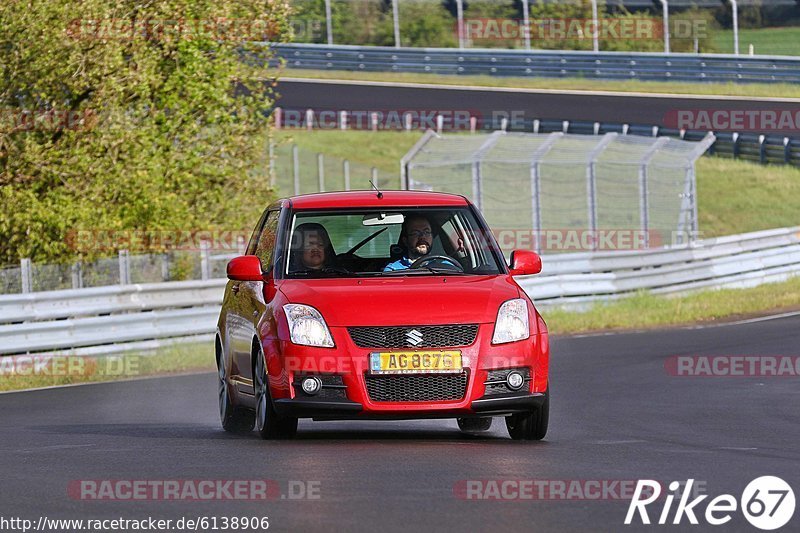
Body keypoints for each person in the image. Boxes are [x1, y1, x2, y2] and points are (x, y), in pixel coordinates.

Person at [384, 215, 456, 271]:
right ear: (405, 240)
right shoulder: (393, 270)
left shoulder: (447, 266)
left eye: (427, 232)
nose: (422, 237)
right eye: (415, 233)